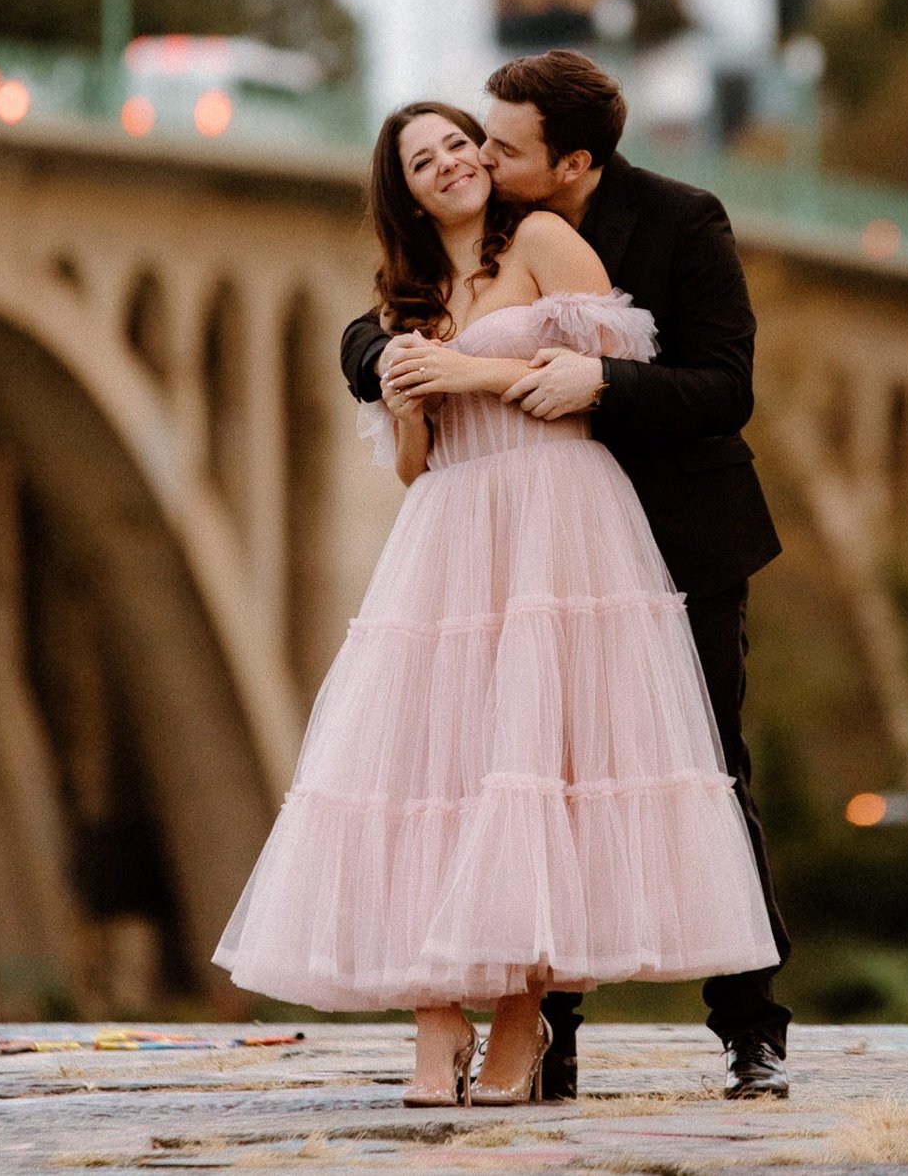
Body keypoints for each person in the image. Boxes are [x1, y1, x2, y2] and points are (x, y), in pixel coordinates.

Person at [218, 101, 777, 1107]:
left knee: (540, 764)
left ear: (495, 152)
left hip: (557, 517)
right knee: (443, 772)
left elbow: (609, 373)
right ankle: (444, 1031)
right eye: (422, 160)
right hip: (451, 528)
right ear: (406, 188)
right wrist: (401, 395)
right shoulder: (403, 298)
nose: (448, 165)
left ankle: (543, 1033)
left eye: (459, 145)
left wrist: (467, 368)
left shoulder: (550, 242)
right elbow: (410, 461)